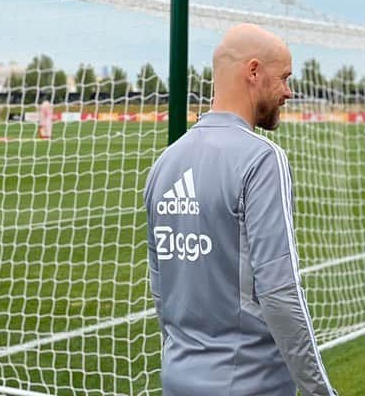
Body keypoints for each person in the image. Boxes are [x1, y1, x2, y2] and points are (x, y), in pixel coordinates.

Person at [144, 23, 337, 396]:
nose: (288, 91)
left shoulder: (164, 164)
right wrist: (320, 391)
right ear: (253, 72)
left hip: (178, 382)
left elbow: (161, 293)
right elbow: (280, 293)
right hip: (249, 383)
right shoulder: (262, 159)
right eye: (283, 78)